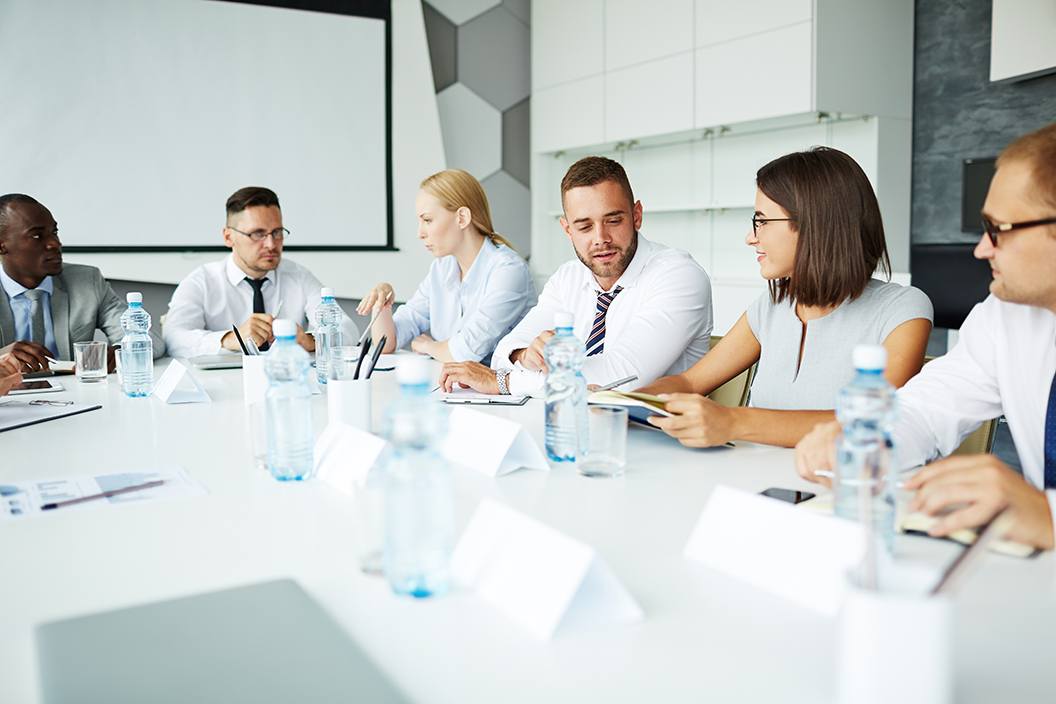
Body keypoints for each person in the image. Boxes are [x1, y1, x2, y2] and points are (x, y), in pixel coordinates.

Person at [795, 123, 1056, 551]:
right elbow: (927, 408)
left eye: (998, 229)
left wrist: (1048, 515)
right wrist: (868, 440)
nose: (981, 250)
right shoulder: (1004, 316)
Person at [637, 148, 933, 448]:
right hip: (760, 483)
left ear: (813, 224)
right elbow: (689, 383)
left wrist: (734, 422)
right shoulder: (772, 306)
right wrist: (622, 401)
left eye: (762, 221)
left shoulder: (902, 310)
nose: (751, 237)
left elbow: (875, 424)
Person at [439, 156, 712, 396]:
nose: (601, 239)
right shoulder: (568, 277)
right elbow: (504, 354)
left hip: (661, 441)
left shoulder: (678, 275)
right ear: (567, 229)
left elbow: (617, 382)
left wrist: (506, 382)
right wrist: (526, 356)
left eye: (613, 221)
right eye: (584, 226)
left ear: (636, 215)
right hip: (578, 426)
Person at [357, 169, 536, 364]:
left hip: (502, 390)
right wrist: (382, 302)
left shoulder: (508, 271)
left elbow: (465, 352)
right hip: (454, 386)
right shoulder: (441, 269)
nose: (420, 233)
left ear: (462, 218)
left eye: (427, 220)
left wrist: (428, 346)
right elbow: (386, 343)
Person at [163, 187, 358, 357]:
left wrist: (312, 341)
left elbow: (349, 330)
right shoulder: (202, 282)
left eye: (277, 232)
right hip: (222, 388)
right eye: (257, 234)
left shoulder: (299, 276)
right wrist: (231, 339)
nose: (271, 244)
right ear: (228, 237)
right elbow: (173, 338)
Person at [0, 194, 165, 372]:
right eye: (37, 236)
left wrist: (121, 352)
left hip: (74, 394)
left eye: (54, 232)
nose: (55, 243)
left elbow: (149, 339)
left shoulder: (86, 281)